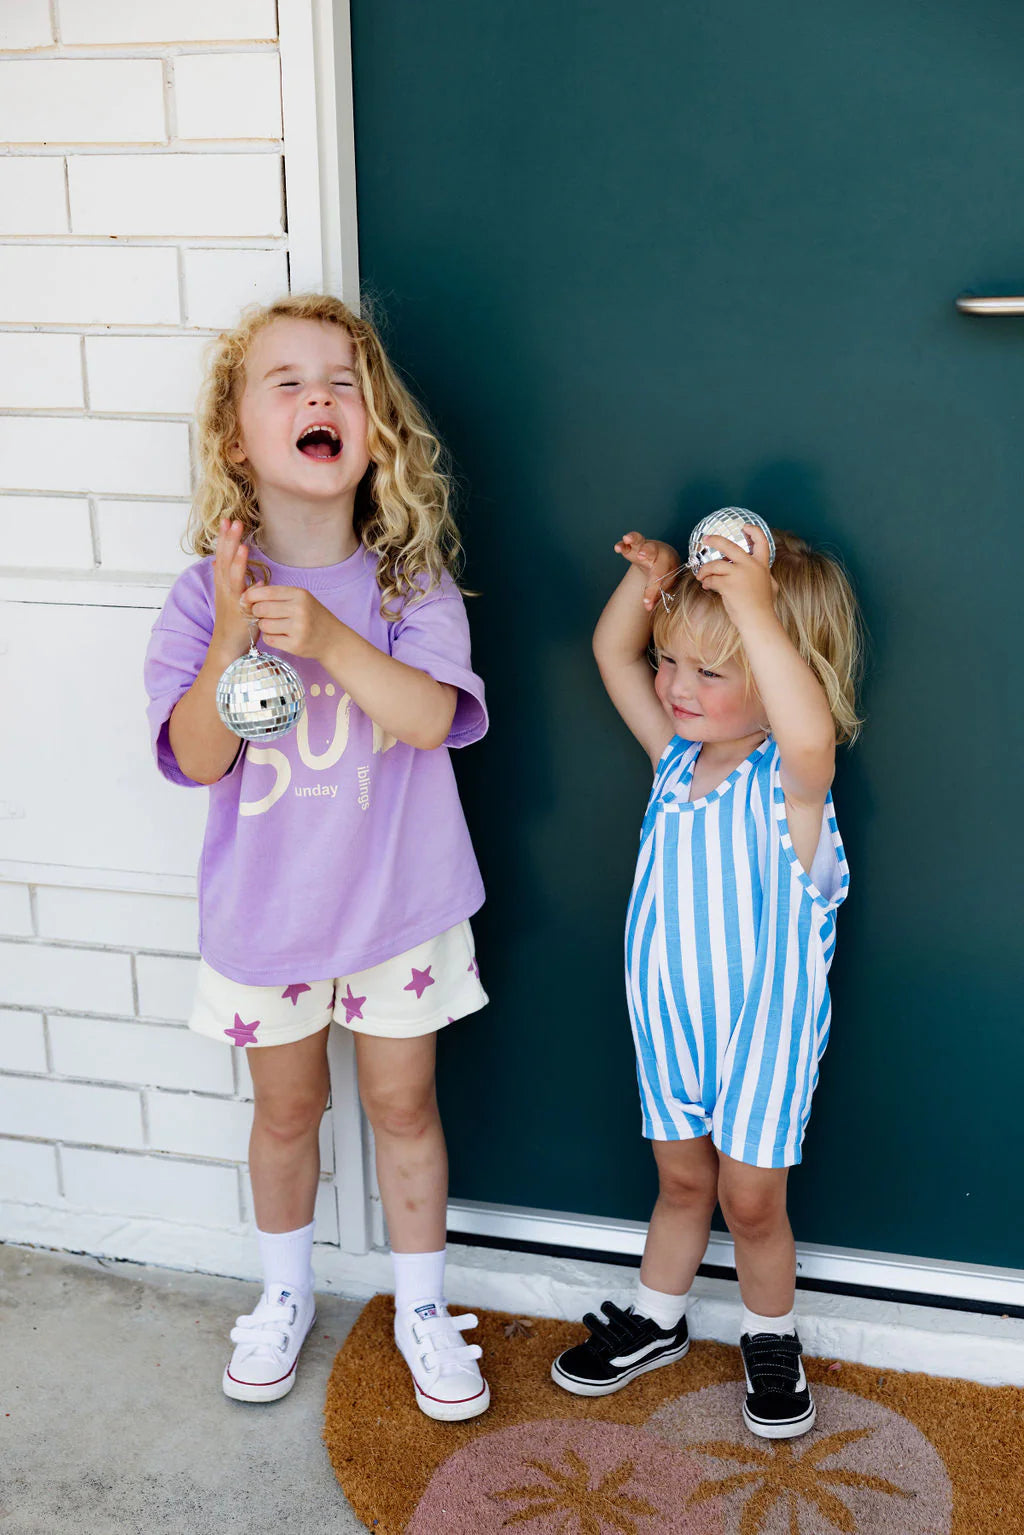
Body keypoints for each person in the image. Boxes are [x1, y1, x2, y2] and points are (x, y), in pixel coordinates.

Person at [144, 293, 490, 1421]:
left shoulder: (408, 582)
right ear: (238, 437)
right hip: (271, 919)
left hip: (398, 906)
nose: (318, 397)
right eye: (284, 382)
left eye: (341, 380)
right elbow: (197, 757)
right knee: (285, 1113)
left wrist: (329, 635)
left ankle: (422, 1307)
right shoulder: (204, 596)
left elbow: (432, 717)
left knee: (403, 1107)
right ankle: (283, 1291)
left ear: (372, 429)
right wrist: (236, 640)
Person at [551, 520, 861, 1438]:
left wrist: (755, 609)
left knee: (752, 1200)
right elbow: (613, 651)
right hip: (670, 1024)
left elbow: (813, 736)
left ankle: (771, 1334)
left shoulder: (792, 785)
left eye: (711, 671)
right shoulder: (674, 761)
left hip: (763, 1032)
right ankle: (659, 1315)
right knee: (683, 1183)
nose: (677, 686)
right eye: (672, 661)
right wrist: (647, 585)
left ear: (777, 672)